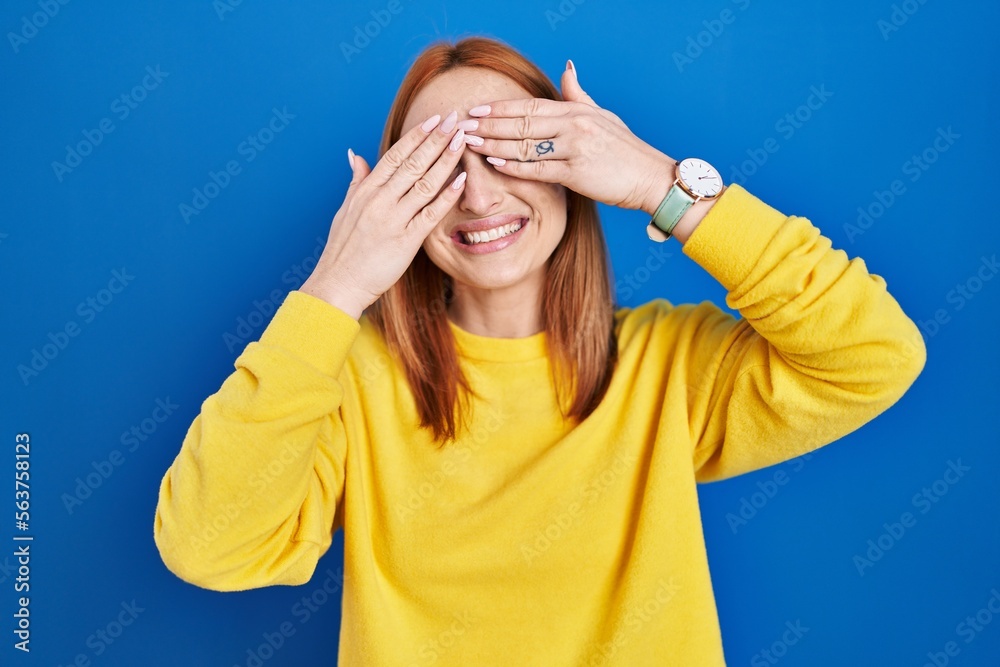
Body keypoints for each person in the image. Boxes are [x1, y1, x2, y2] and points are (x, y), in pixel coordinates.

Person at [153, 36, 926, 666]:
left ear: (572, 168)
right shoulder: (348, 376)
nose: (481, 197)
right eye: (439, 169)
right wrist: (334, 287)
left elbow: (876, 353)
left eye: (512, 150)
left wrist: (662, 183)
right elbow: (207, 546)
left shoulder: (668, 365)